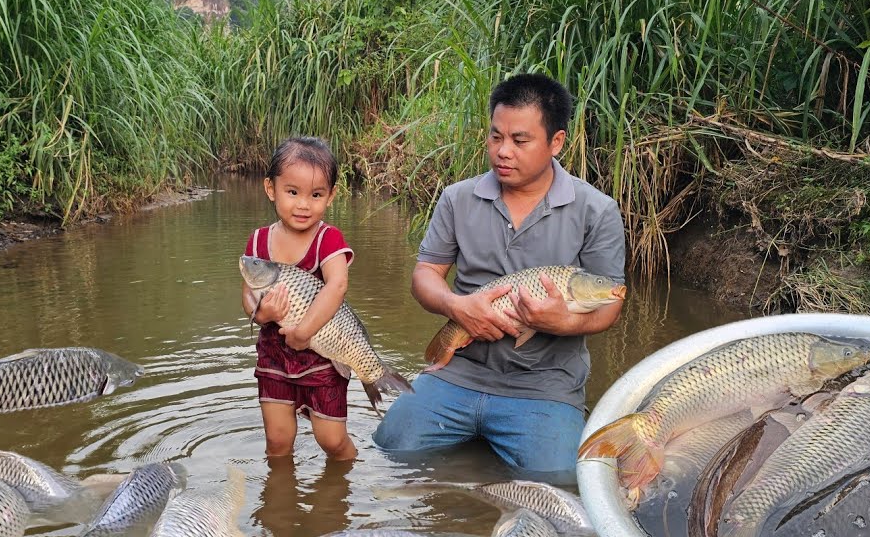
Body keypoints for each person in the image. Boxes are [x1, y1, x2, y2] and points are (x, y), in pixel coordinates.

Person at [373, 72, 627, 473]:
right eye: (495, 137)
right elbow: (424, 276)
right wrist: (458, 306)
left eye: (519, 140)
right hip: (459, 372)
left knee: (559, 480)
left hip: (544, 386)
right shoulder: (458, 198)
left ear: (556, 142)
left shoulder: (597, 211)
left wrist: (562, 322)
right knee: (390, 448)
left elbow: (610, 305)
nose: (502, 151)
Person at [241, 137, 357, 461]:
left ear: (331, 196)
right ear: (271, 189)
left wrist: (304, 332)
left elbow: (337, 286)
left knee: (331, 440)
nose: (304, 205)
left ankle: (347, 476)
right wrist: (261, 314)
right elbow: (247, 296)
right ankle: (279, 505)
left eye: (316, 195)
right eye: (293, 192)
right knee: (277, 443)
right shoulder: (259, 241)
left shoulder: (327, 239)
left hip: (322, 354)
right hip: (274, 357)